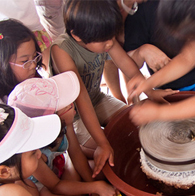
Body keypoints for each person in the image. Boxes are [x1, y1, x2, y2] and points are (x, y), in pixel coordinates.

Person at [50, 0, 176, 171]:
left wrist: (151, 92)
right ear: (78, 36)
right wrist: (102, 143)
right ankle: (73, 151)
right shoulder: (62, 51)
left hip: (96, 98)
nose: (110, 44)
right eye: (104, 41)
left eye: (112, 36)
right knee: (115, 148)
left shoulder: (104, 36)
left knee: (134, 128)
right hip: (73, 115)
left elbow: (126, 64)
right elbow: (82, 100)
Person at [8, 71, 117, 196]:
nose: (72, 105)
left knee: (103, 172)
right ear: (49, 120)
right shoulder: (30, 152)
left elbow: (76, 154)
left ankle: (80, 186)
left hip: (61, 167)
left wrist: (94, 189)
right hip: (43, 186)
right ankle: (78, 187)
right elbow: (55, 186)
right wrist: (95, 187)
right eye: (65, 105)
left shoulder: (65, 124)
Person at [124, 0, 195, 92]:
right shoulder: (139, 8)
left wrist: (148, 83)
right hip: (165, 91)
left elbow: (189, 58)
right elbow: (126, 62)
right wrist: (142, 52)